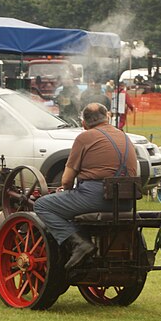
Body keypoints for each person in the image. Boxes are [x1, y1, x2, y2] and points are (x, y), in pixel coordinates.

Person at [34, 103, 138, 270]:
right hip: (126, 200)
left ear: (84, 123)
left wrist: (65, 191)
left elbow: (67, 180)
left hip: (97, 197)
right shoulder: (124, 136)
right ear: (108, 117)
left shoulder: (85, 137)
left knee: (42, 204)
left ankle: (79, 244)